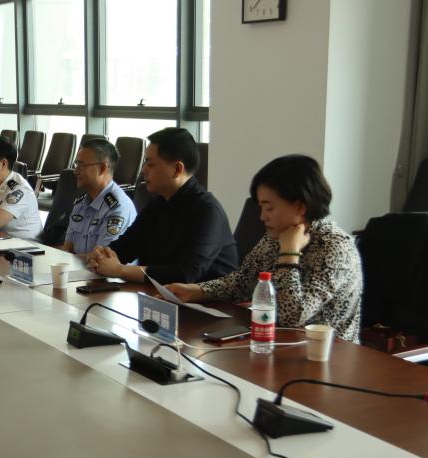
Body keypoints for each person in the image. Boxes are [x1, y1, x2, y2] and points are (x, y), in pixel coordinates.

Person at [166, 155, 363, 342]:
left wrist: (289, 254)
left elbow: (292, 317)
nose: (262, 217)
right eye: (260, 207)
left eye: (269, 208)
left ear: (300, 207)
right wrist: (197, 291)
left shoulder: (335, 247)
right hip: (279, 342)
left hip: (330, 354)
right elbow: (243, 281)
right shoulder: (278, 235)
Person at [87, 127, 236, 284]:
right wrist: (102, 255)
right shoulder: (158, 203)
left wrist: (120, 271)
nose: (144, 170)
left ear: (177, 169)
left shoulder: (207, 211)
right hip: (157, 294)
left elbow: (186, 274)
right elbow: (126, 246)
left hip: (207, 298)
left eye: (150, 164)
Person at [61, 138, 137, 255]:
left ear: (102, 168)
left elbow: (101, 258)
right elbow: (67, 248)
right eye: (76, 164)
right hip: (80, 266)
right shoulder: (80, 204)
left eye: (81, 165)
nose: (75, 171)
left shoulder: (118, 207)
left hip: (102, 268)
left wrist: (68, 259)